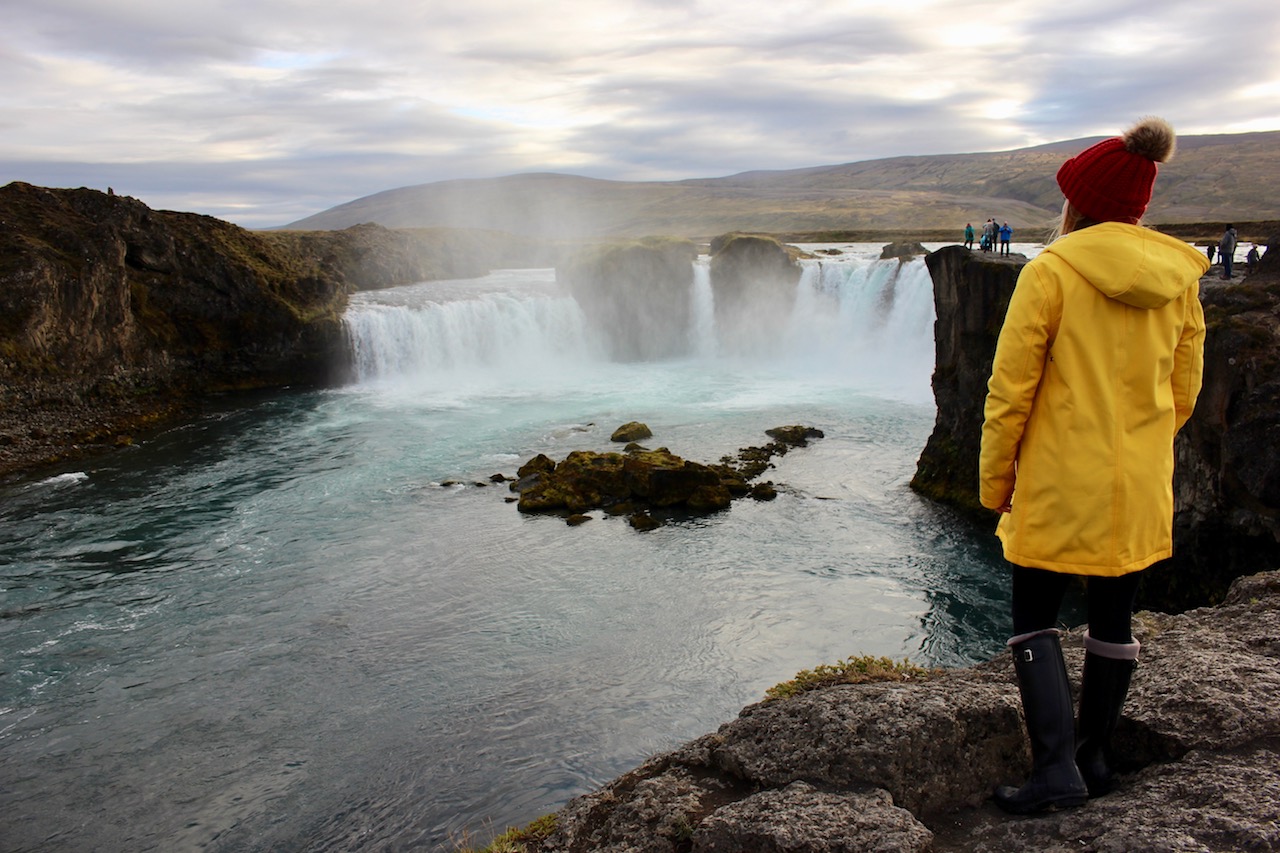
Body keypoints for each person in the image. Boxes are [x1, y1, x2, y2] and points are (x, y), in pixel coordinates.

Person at [980, 116, 1208, 815]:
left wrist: (995, 482)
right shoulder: (1180, 276)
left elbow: (1009, 390)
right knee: (1116, 614)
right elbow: (1184, 389)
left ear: (1077, 202)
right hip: (1138, 481)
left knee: (1034, 614)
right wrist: (1139, 442)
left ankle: (1055, 769)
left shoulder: (1051, 271)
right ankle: (1094, 756)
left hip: (1056, 477)